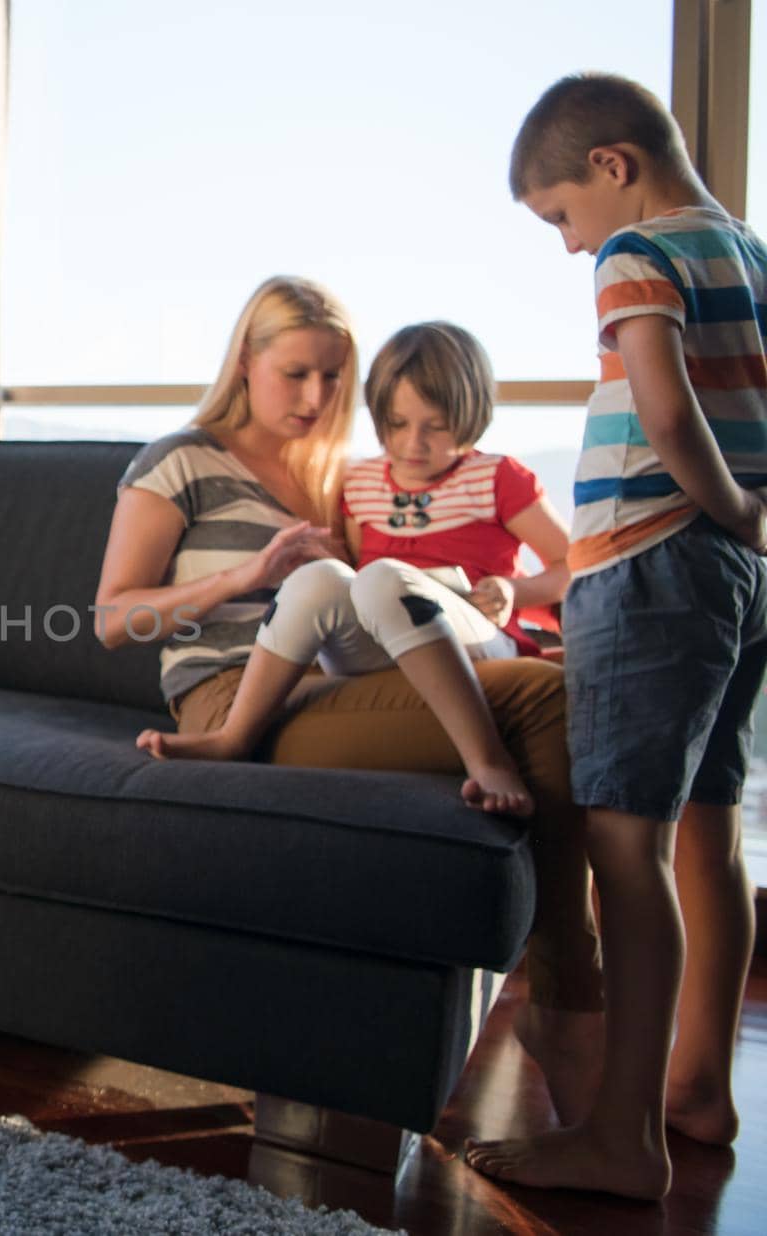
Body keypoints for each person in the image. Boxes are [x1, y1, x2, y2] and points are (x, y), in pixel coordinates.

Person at [96, 274, 604, 1129]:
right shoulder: (182, 458)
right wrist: (249, 574)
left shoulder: (339, 478)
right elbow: (113, 617)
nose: (316, 396)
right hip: (233, 696)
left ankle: (564, 997)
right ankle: (568, 991)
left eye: (333, 376)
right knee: (543, 705)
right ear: (246, 362)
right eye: (296, 372)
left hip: (342, 686)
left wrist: (496, 601)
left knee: (540, 689)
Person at [464, 74, 767, 1201]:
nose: (565, 244)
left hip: (657, 559)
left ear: (611, 165)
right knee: (709, 827)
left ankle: (621, 1139)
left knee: (621, 846)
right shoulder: (748, 248)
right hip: (737, 575)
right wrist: (751, 523)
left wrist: (725, 505)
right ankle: (695, 1088)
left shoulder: (636, 253)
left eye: (557, 217)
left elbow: (664, 402)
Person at [136, 321, 571, 818]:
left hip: (472, 633)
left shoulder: (496, 477)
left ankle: (487, 760)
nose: (412, 444)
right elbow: (356, 574)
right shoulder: (361, 483)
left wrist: (517, 590)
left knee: (385, 578)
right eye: (397, 424)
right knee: (322, 580)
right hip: (384, 643)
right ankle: (233, 736)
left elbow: (573, 564)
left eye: (434, 426)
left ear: (471, 417)